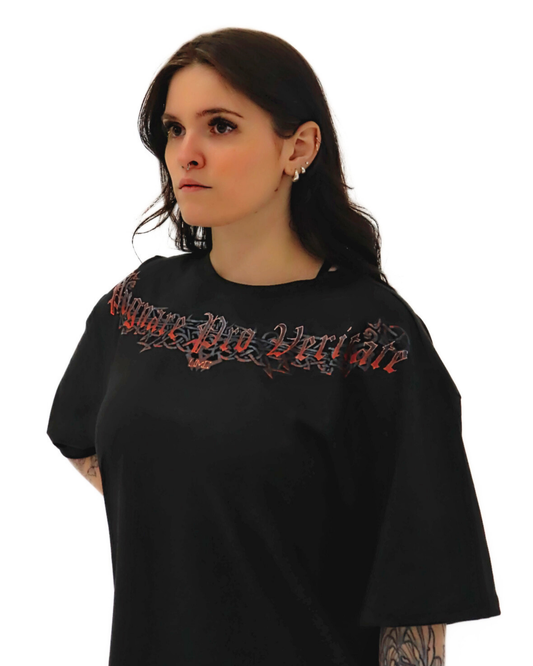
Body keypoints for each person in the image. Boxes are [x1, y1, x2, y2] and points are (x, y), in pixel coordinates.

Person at [46, 27, 501, 666]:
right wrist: (187, 503)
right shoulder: (141, 301)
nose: (186, 154)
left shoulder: (374, 339)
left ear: (299, 146)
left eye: (220, 126)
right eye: (174, 129)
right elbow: (80, 435)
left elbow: (418, 593)